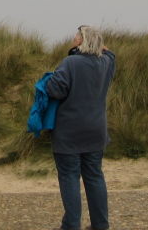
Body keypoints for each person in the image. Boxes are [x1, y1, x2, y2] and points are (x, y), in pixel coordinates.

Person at [45, 25, 116, 230]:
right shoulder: (106, 63)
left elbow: (55, 91)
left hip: (69, 132)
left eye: (76, 35)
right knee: (94, 177)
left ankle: (71, 225)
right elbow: (111, 55)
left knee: (69, 177)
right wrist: (103, 48)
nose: (73, 37)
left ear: (81, 40)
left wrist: (49, 79)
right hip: (96, 131)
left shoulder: (71, 62)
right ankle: (100, 225)